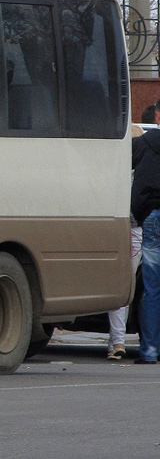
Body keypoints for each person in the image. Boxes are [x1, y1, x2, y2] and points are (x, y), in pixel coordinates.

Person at [107, 122, 145, 360]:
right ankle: (149, 340)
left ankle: (117, 341)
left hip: (120, 232)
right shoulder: (143, 173)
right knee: (148, 290)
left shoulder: (118, 173)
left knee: (121, 290)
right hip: (140, 231)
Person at [131, 125, 160, 364]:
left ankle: (150, 351)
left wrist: (138, 214)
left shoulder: (142, 144)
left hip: (151, 217)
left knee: (152, 290)